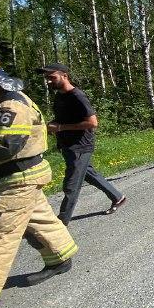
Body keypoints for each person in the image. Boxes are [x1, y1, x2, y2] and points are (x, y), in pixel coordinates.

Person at [0, 52, 78, 308]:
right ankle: (60, 258)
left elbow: (2, 147)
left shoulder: (12, 105)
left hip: (17, 179)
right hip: (16, 176)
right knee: (38, 220)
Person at [37, 63, 126, 225]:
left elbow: (92, 123)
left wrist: (61, 127)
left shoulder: (77, 96)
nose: (48, 81)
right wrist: (52, 125)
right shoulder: (59, 96)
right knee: (89, 174)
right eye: (47, 78)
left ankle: (62, 222)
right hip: (67, 145)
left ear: (64, 75)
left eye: (52, 77)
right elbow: (62, 119)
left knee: (71, 185)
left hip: (80, 146)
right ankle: (117, 197)